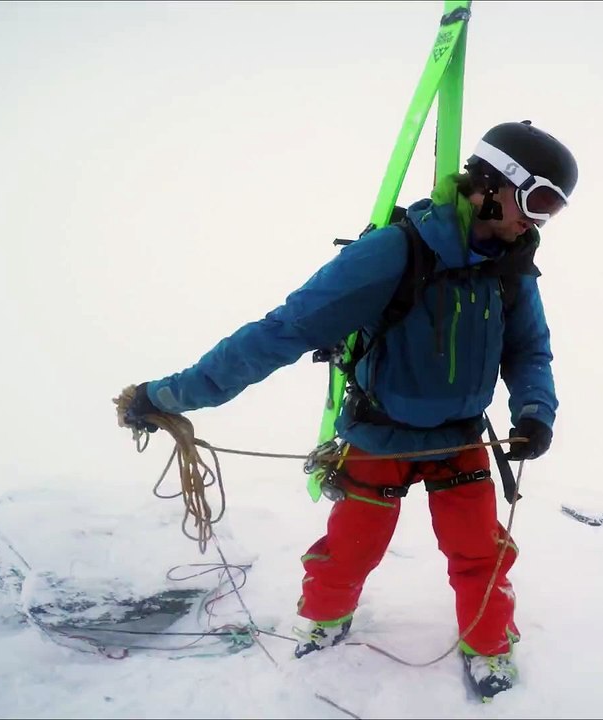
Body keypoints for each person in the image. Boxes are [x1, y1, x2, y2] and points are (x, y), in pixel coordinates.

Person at [120, 120, 577, 699]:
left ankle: (489, 649)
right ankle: (326, 618)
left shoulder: (510, 268)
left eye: (553, 210)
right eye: (537, 201)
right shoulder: (394, 251)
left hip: (459, 440)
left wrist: (536, 410)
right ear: (491, 183)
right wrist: (167, 396)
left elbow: (528, 348)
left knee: (482, 554)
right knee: (348, 553)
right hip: (379, 437)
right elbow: (283, 331)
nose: (535, 222)